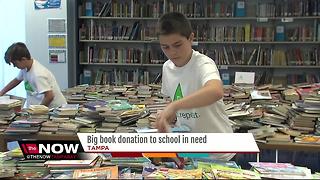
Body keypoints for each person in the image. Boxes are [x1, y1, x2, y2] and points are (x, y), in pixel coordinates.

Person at [155, 12, 234, 160]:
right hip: (191, 151)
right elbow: (175, 105)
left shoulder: (203, 63)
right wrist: (165, 118)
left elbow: (215, 91)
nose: (172, 52)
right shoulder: (167, 68)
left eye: (177, 45)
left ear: (191, 38)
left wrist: (174, 106)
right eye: (165, 47)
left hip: (219, 152)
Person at [0, 42, 67, 108]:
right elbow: (16, 80)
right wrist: (1, 92)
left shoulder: (38, 74)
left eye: (15, 63)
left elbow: (49, 96)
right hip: (44, 106)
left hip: (56, 108)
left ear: (23, 59)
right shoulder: (25, 68)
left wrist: (37, 111)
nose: (14, 66)